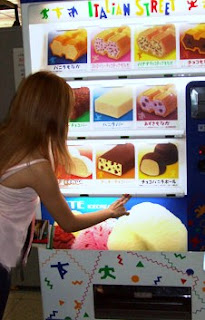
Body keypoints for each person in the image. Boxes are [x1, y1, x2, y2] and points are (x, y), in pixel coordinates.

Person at [0, 71, 130, 319]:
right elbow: (68, 223)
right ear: (53, 115)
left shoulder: (7, 137)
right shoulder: (36, 167)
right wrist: (110, 212)